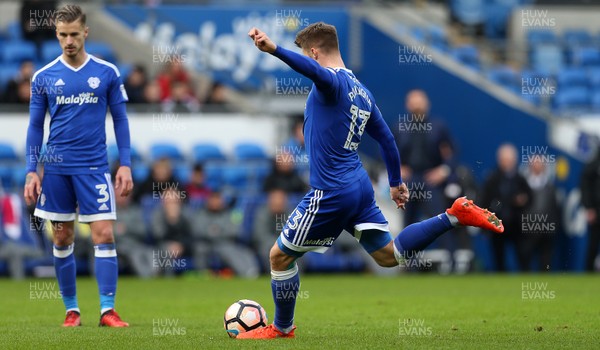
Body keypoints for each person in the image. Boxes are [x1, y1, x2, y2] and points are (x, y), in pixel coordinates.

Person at [238, 22, 504, 339]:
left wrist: (274, 50)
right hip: (359, 186)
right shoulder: (362, 91)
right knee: (388, 256)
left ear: (313, 52)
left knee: (278, 257)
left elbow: (317, 74)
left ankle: (281, 329)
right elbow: (387, 139)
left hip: (332, 190)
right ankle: (453, 215)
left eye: (305, 55)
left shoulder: (332, 81)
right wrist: (395, 182)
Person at [24, 5, 133, 327]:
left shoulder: (107, 72)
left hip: (94, 167)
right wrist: (32, 169)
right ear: (56, 34)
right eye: (62, 35)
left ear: (85, 32)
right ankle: (72, 310)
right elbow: (34, 127)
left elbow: (121, 119)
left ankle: (107, 311)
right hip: (56, 169)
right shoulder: (43, 77)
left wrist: (124, 164)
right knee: (61, 238)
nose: (68, 41)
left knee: (103, 234)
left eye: (74, 34)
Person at [480, 143, 532, 271]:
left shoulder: (520, 179)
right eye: (505, 159)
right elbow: (485, 201)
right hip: (497, 223)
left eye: (510, 160)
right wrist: (484, 226)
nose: (507, 163)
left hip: (517, 224)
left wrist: (523, 200)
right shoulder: (492, 178)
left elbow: (529, 198)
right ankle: (500, 284)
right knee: (498, 258)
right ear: (499, 160)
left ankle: (524, 281)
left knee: (522, 256)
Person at [520, 155, 560, 271]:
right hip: (528, 228)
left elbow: (555, 209)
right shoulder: (523, 185)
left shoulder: (550, 187)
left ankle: (544, 283)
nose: (537, 167)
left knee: (546, 258)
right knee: (526, 256)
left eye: (539, 164)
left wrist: (553, 226)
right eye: (534, 164)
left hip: (546, 228)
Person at [580, 148, 600, 272]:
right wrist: (588, 207)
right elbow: (585, 185)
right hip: (597, 211)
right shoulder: (595, 163)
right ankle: (589, 274)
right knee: (593, 245)